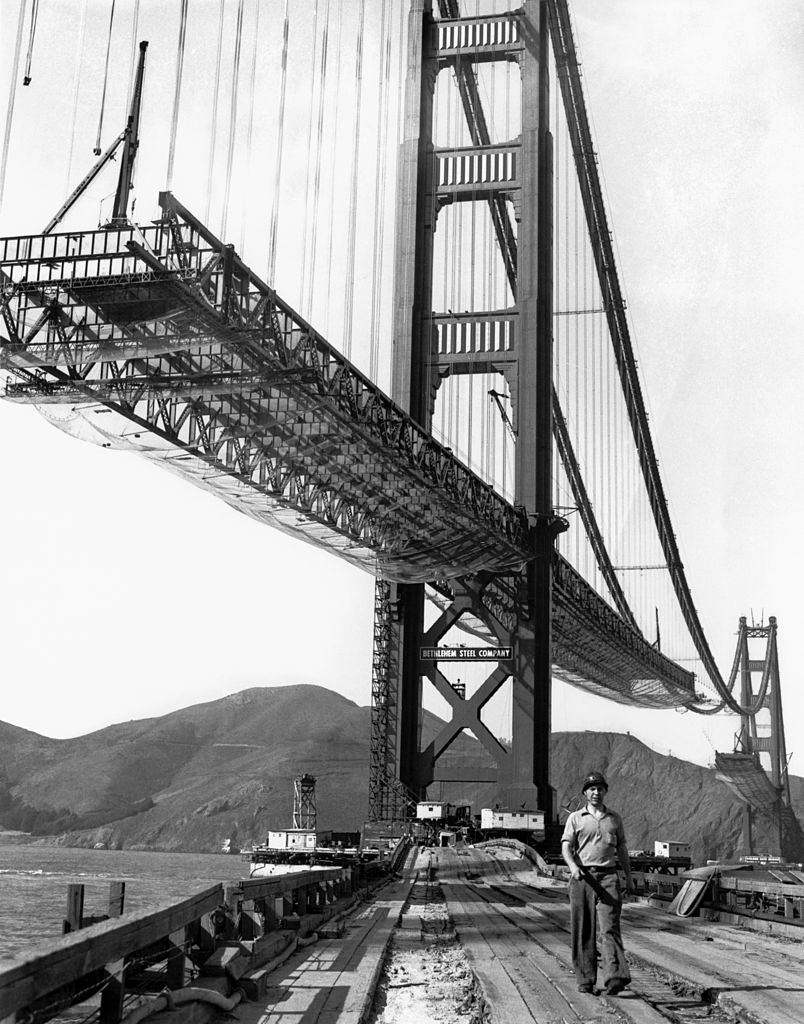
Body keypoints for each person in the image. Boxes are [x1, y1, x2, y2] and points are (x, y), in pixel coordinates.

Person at [561, 770, 635, 996]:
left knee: (610, 927)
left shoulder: (615, 818)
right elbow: (566, 846)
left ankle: (615, 977)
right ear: (585, 793)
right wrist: (573, 867)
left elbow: (621, 849)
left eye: (600, 789)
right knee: (583, 929)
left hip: (609, 876)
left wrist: (629, 877)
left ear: (605, 792)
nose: (596, 792)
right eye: (592, 789)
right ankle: (585, 980)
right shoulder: (575, 818)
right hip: (582, 877)